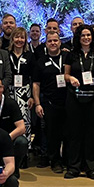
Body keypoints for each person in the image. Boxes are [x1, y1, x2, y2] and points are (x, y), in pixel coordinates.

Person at [63, 24, 94, 180]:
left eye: (89, 35)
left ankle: (91, 167)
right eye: (83, 35)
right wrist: (71, 78)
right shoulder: (71, 55)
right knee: (74, 132)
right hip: (74, 97)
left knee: (92, 132)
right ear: (78, 37)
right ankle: (74, 167)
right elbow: (65, 76)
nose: (86, 38)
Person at [32, 32, 69, 173]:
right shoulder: (41, 61)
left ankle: (67, 159)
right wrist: (37, 103)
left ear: (60, 42)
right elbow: (36, 84)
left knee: (68, 133)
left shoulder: (67, 57)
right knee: (52, 134)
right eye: (50, 41)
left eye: (55, 40)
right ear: (46, 44)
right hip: (49, 102)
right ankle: (55, 161)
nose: (53, 43)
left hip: (68, 102)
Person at [7, 27, 35, 154]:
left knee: (25, 121)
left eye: (22, 37)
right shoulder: (6, 54)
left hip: (25, 92)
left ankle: (25, 150)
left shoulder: (30, 56)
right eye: (17, 37)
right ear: (12, 38)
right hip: (9, 91)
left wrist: (32, 96)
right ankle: (9, 148)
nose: (19, 40)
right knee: (9, 119)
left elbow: (33, 77)